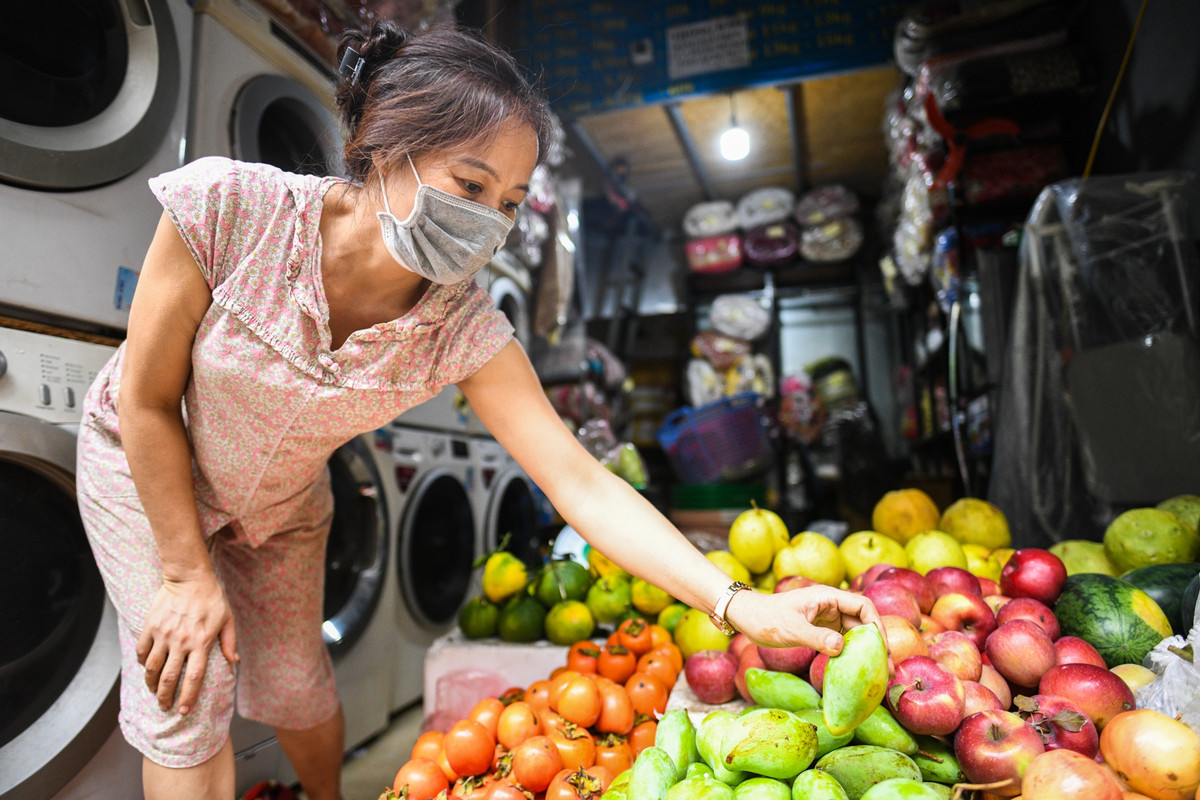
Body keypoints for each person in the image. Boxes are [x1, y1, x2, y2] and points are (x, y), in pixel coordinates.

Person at [76, 19, 882, 800]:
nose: (487, 220)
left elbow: (581, 483)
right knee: (189, 683)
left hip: (283, 503)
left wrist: (739, 604)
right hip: (145, 464)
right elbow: (147, 399)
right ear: (389, 149)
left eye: (509, 202)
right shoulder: (227, 209)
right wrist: (185, 572)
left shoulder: (461, 328)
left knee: (297, 686)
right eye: (470, 185)